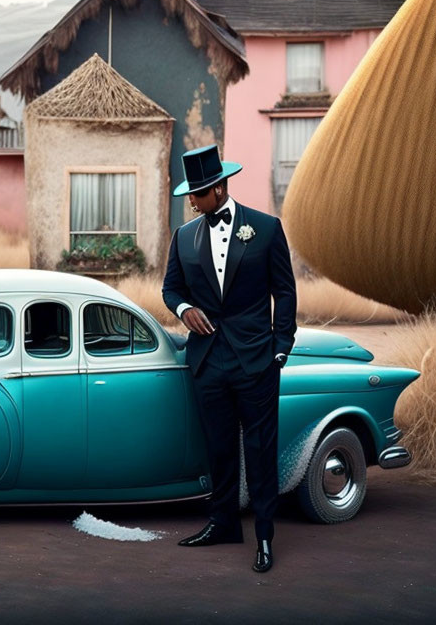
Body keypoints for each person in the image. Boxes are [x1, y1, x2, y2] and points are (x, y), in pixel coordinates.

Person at [162, 143, 297, 573]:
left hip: (257, 360)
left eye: (196, 195)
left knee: (260, 450)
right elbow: (171, 289)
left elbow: (285, 292)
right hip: (207, 363)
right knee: (218, 448)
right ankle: (221, 523)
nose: (191, 203)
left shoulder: (267, 229)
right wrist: (185, 310)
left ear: (218, 190)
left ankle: (264, 536)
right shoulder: (184, 236)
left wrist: (280, 347)